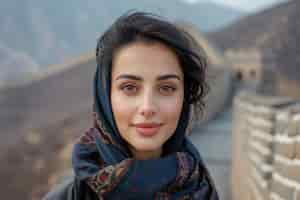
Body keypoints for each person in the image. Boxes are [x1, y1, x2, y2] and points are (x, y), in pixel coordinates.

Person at [43, 11, 219, 200]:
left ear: (184, 97)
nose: (147, 107)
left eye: (166, 88)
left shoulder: (201, 188)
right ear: (105, 96)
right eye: (129, 87)